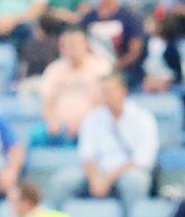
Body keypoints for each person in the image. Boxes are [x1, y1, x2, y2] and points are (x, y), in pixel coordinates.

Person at [59, 72, 157, 204]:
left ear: (123, 91)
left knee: (135, 181)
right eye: (103, 92)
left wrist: (108, 179)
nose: (106, 96)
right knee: (64, 179)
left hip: (126, 173)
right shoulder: (93, 118)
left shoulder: (143, 119)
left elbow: (142, 160)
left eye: (110, 91)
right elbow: (87, 155)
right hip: (98, 173)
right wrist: (95, 179)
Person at [39, 27, 110, 144]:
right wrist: (53, 121)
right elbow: (47, 103)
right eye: (66, 45)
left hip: (93, 125)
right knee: (37, 135)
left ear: (86, 44)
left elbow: (105, 103)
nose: (71, 49)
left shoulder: (101, 68)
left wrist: (85, 123)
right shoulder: (53, 70)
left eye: (75, 44)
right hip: (59, 128)